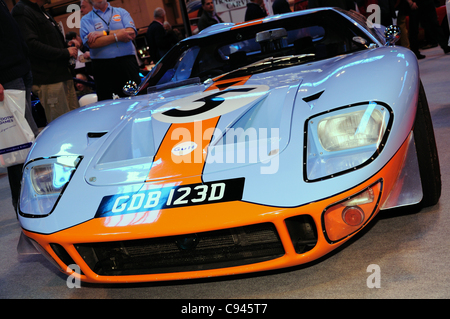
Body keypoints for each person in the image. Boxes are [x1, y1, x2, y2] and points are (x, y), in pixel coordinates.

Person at [12, 0, 79, 123]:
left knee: (76, 122)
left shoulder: (41, 10)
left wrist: (66, 46)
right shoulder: (22, 11)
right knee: (61, 126)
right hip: (49, 80)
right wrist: (65, 52)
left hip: (63, 75)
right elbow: (31, 45)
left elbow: (47, 41)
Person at [1, 0, 39, 214]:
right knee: (17, 143)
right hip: (7, 75)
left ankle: (33, 196)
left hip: (20, 69)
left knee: (29, 137)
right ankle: (22, 202)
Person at [80, 0, 141, 101]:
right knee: (107, 101)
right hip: (103, 67)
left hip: (127, 64)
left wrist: (104, 33)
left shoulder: (121, 12)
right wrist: (118, 36)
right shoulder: (86, 19)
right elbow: (92, 43)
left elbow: (131, 33)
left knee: (134, 98)